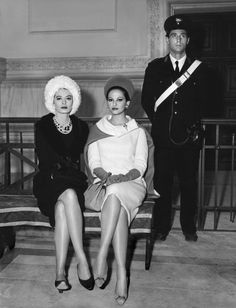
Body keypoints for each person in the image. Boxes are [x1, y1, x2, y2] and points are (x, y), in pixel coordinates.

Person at [141, 15, 211, 242]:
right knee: (162, 183)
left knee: (189, 183)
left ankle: (188, 227)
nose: (178, 40)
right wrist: (161, 123)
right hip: (163, 139)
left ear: (188, 40)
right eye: (174, 36)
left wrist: (191, 125)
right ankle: (161, 226)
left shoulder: (200, 70)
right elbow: (145, 100)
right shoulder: (154, 68)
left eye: (182, 36)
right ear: (167, 39)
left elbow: (205, 102)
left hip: (189, 139)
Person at [84, 75, 149, 305]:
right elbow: (94, 163)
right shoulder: (97, 130)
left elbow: (140, 165)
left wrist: (122, 178)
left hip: (132, 184)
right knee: (116, 202)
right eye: (110, 100)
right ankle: (122, 273)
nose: (114, 104)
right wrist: (107, 178)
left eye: (119, 100)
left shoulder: (137, 131)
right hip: (105, 185)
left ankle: (102, 253)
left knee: (117, 192)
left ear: (127, 103)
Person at [33, 75, 94, 293]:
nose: (64, 102)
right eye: (59, 98)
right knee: (66, 196)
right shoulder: (43, 125)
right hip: (49, 181)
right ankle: (82, 259)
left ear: (74, 100)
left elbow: (84, 159)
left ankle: (60, 273)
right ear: (52, 100)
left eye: (68, 97)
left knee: (63, 207)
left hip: (74, 181)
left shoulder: (81, 127)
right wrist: (66, 165)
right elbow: (47, 161)